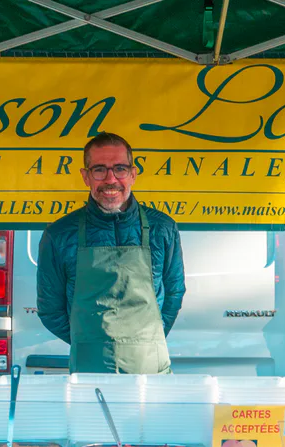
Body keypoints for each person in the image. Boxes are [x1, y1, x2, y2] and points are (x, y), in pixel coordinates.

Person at [37, 132, 186, 374]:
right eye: (99, 170)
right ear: (86, 177)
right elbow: (50, 309)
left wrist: (146, 342)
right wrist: (90, 345)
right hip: (89, 371)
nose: (110, 179)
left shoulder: (163, 229)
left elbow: (174, 292)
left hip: (150, 368)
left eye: (120, 169)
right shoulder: (60, 235)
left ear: (133, 174)